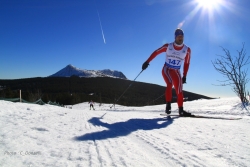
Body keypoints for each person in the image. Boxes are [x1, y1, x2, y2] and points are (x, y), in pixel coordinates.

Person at [142, 28, 192, 117]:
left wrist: (184, 76)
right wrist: (147, 62)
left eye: (182, 36)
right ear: (175, 37)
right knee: (169, 84)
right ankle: (168, 105)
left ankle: (181, 110)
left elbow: (187, 63)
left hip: (176, 71)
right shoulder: (168, 46)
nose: (180, 38)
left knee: (179, 90)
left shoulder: (187, 50)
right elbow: (156, 52)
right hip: (167, 69)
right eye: (179, 36)